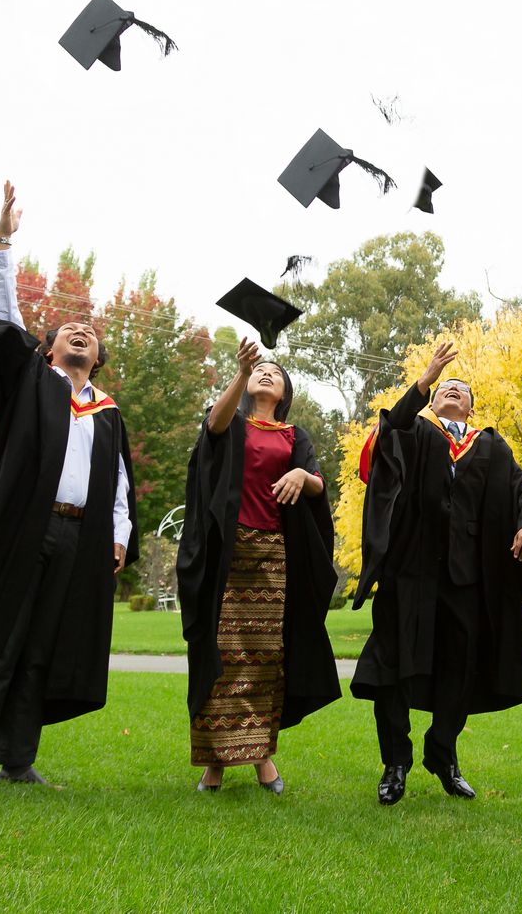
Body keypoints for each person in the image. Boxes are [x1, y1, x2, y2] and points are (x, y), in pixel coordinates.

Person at [0, 181, 137, 803]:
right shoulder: (31, 383)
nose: (80, 331)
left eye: (90, 332)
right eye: (68, 328)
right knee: (2, 640)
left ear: (97, 357)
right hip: (25, 527)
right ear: (47, 348)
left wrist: (119, 537)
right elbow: (0, 318)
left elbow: (118, 481)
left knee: (44, 648)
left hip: (80, 537)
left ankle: (18, 759)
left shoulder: (107, 412)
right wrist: (3, 240)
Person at [351, 342, 522, 805]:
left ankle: (442, 751)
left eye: (462, 389)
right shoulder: (415, 429)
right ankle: (395, 761)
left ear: (472, 406)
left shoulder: (491, 444)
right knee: (391, 668)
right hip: (410, 570)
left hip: (467, 578)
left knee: (460, 671)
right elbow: (390, 426)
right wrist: (425, 378)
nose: (453, 389)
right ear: (435, 399)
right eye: (446, 387)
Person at [176, 338, 341, 795]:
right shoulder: (233, 424)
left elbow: (316, 485)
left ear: (285, 392)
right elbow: (213, 426)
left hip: (274, 559)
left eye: (276, 371)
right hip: (226, 557)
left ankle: (262, 757)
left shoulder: (295, 437)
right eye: (259, 370)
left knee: (266, 661)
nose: (267, 373)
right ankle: (215, 761)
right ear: (248, 383)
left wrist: (300, 475)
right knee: (223, 658)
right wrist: (238, 372)